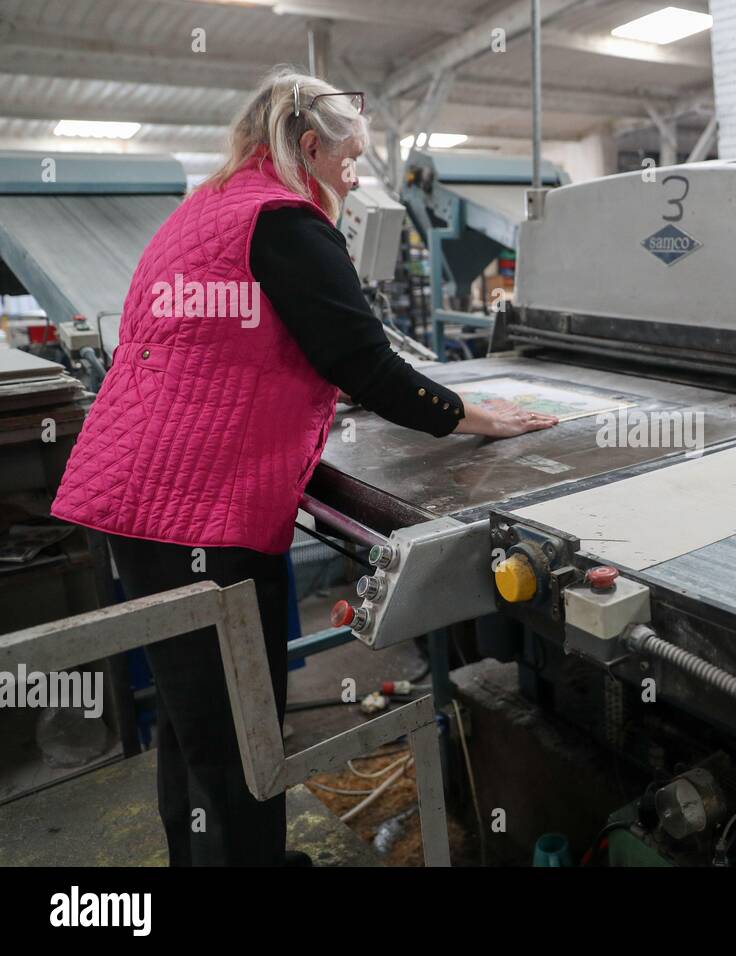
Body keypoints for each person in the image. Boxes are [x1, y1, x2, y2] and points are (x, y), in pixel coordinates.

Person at [49, 66, 557, 866]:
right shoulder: (285, 220)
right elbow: (363, 360)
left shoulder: (209, 208)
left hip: (141, 498)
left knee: (196, 724)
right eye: (349, 163)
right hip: (199, 514)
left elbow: (230, 347)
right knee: (241, 732)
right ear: (309, 147)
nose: (352, 182)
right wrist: (474, 416)